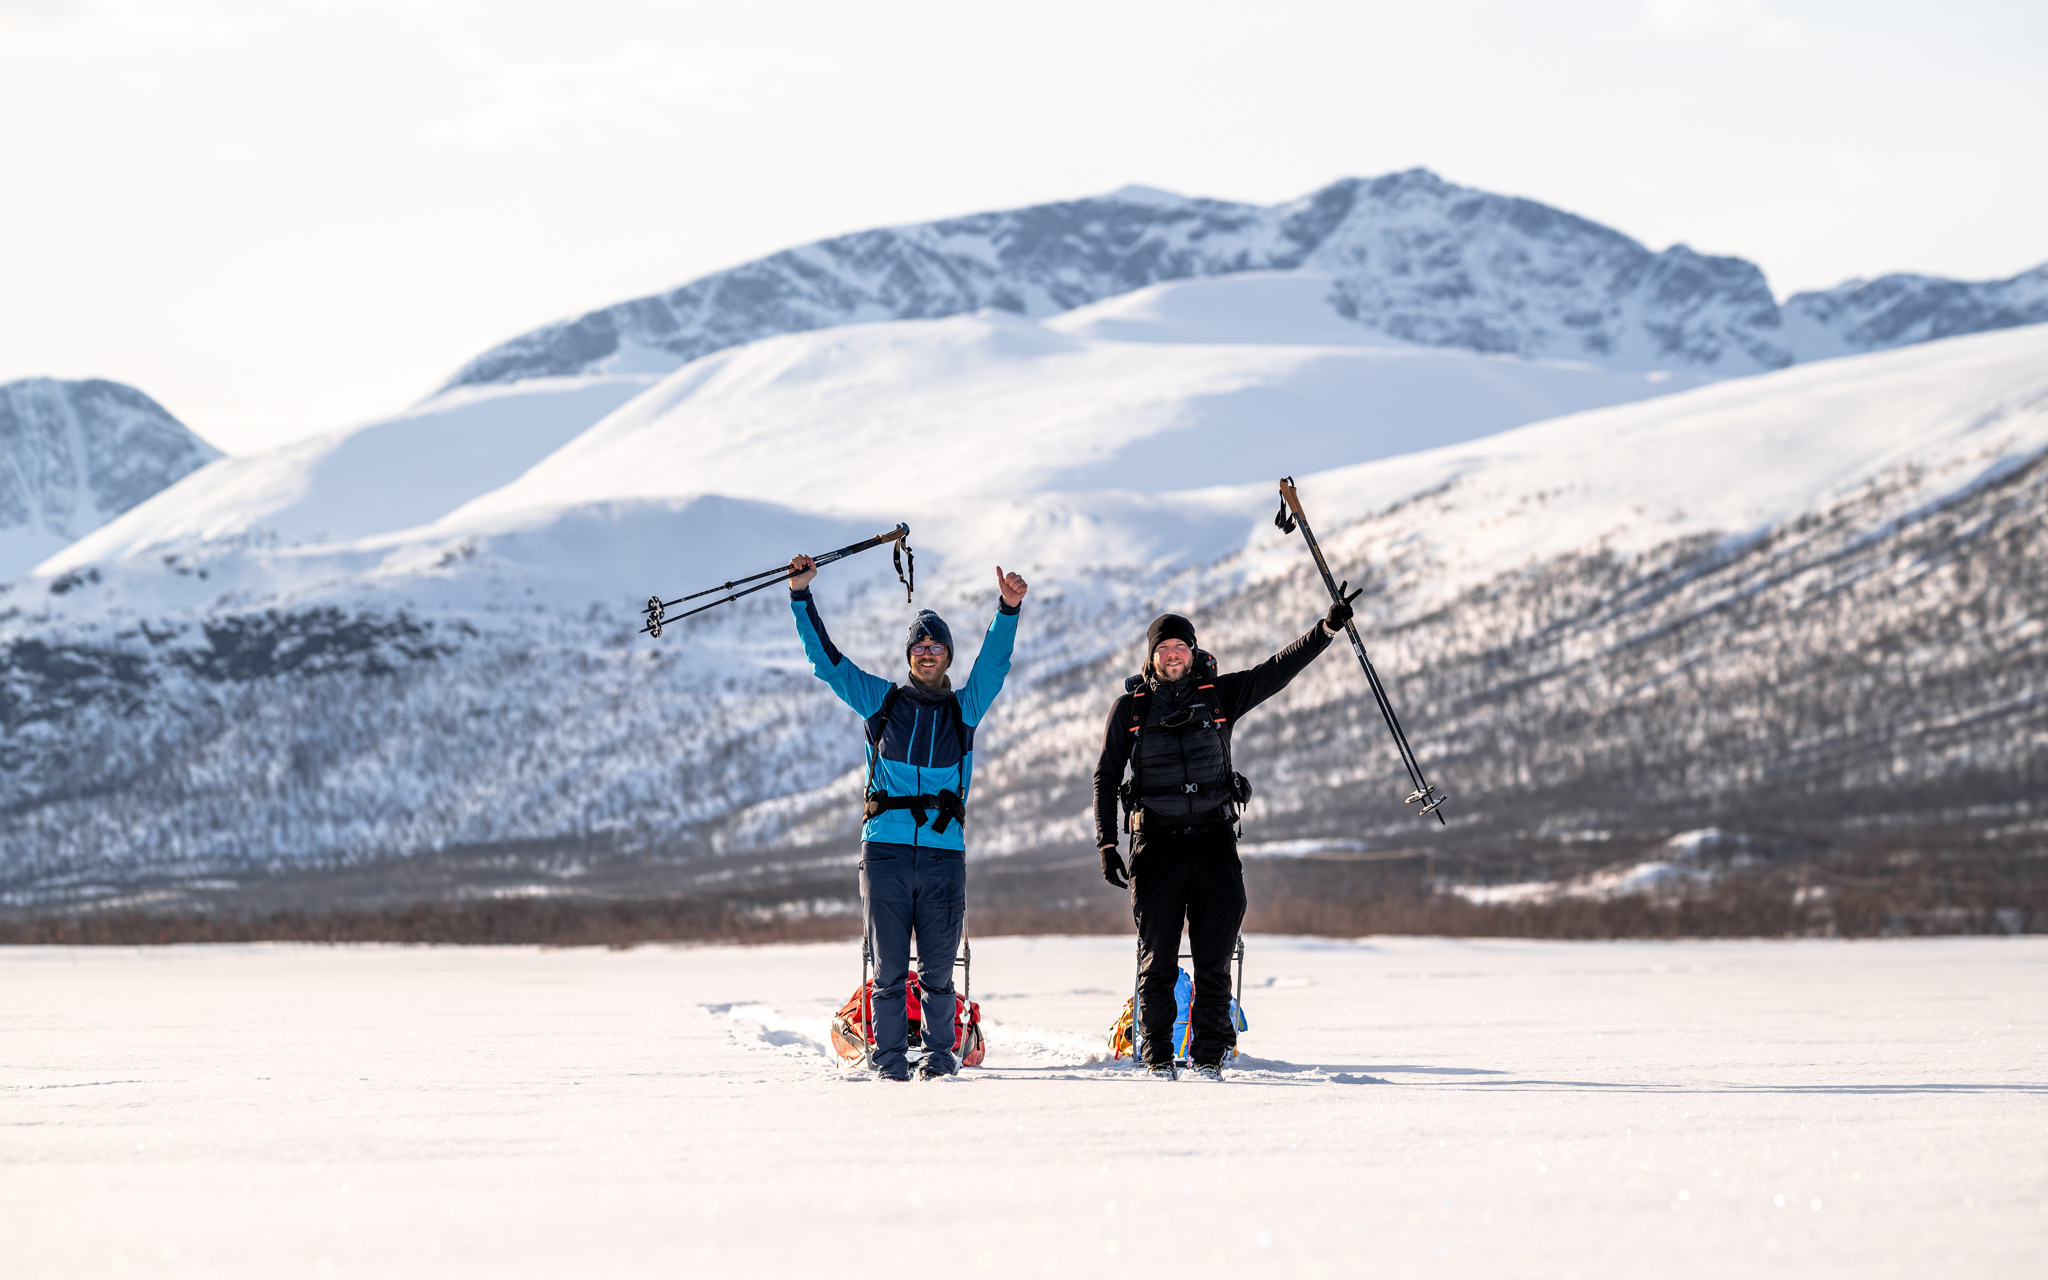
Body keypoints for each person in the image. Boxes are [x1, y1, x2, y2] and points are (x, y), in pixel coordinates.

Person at [789, 553, 1028, 1082]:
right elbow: (828, 664)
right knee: (889, 971)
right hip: (886, 852)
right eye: (919, 646)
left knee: (939, 973)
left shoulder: (963, 711)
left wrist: (1006, 610)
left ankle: (941, 1060)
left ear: (946, 656)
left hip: (944, 855)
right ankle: (890, 1063)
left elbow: (992, 665)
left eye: (936, 646)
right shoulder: (882, 703)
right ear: (909, 655)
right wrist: (801, 597)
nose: (927, 653)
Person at [1092, 601, 1353, 1080]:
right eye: (1163, 648)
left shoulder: (1219, 695)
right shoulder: (1130, 709)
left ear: (1193, 653)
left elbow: (1275, 671)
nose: (1172, 655)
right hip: (1156, 846)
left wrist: (1325, 629)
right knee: (1158, 961)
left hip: (1214, 840)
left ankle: (1210, 1057)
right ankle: (1157, 1060)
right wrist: (1107, 845)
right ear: (1151, 657)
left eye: (1180, 647)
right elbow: (1106, 778)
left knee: (1215, 959)